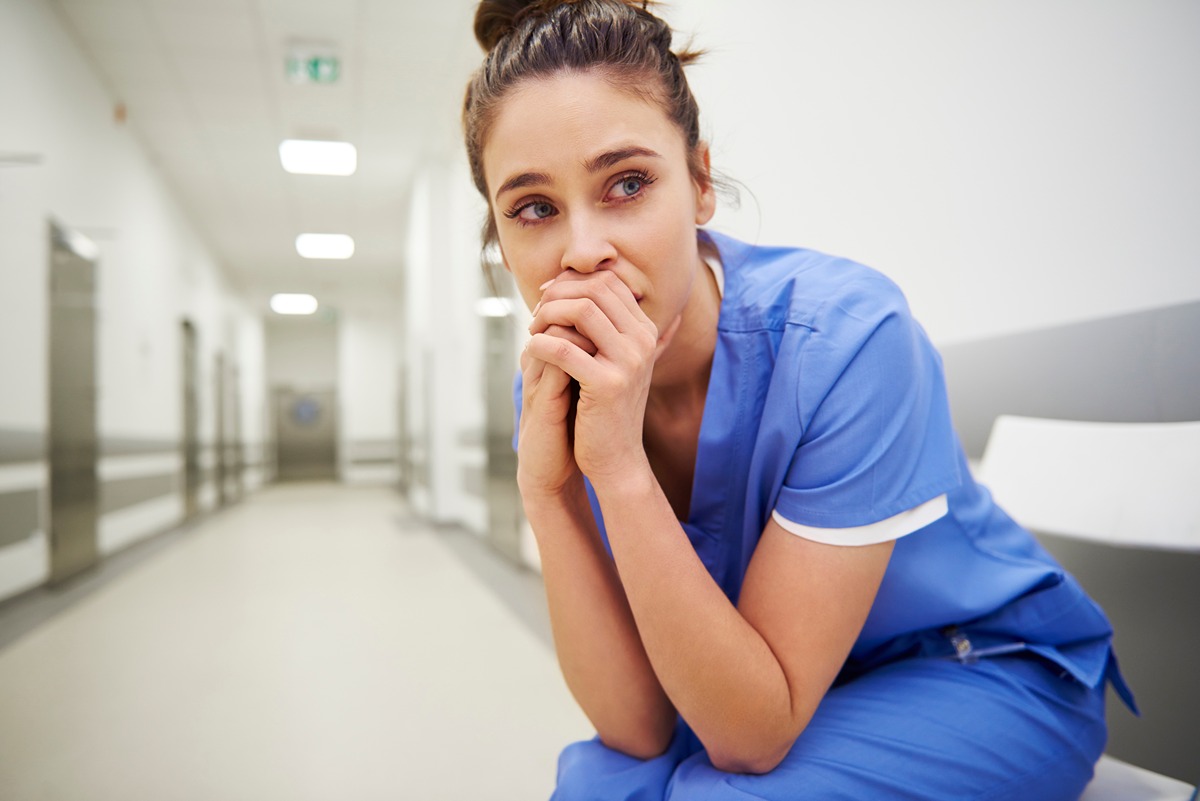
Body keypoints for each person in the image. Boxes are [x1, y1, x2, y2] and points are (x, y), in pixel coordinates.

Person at [462, 1, 1134, 798]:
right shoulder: (554, 389)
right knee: (603, 784)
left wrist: (617, 467)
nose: (581, 251)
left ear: (701, 182)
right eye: (534, 208)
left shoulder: (846, 339)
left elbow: (750, 738)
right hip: (770, 687)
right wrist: (547, 490)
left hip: (973, 667)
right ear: (501, 237)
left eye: (628, 183)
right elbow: (636, 725)